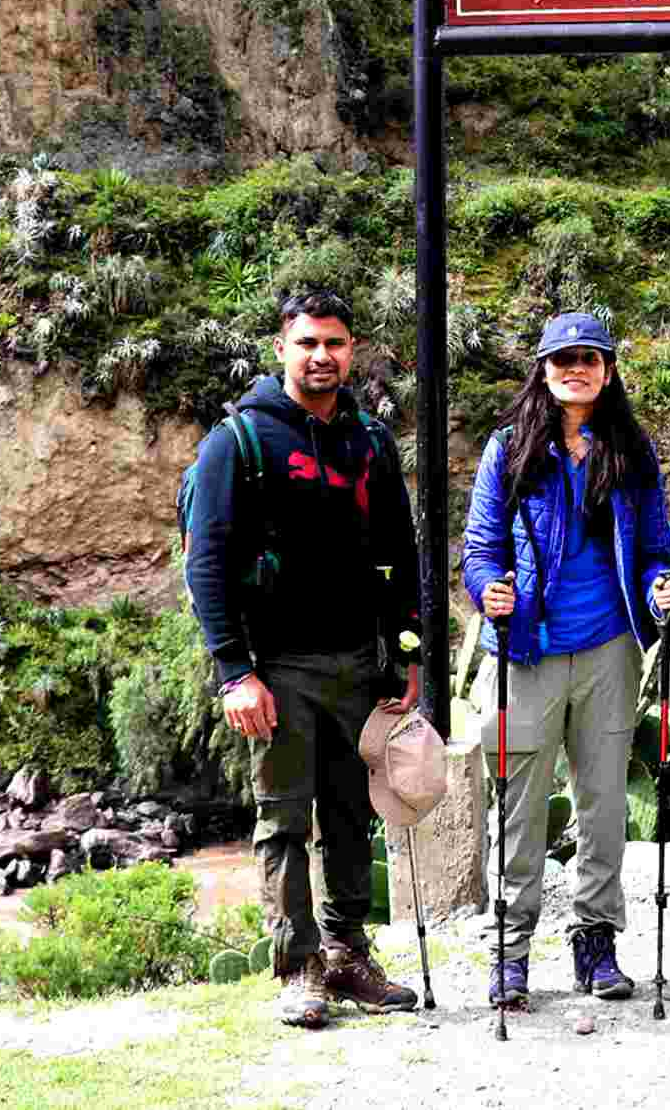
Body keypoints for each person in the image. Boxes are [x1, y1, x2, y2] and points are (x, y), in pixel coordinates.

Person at [184, 288, 422, 1030]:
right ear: (281, 348)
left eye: (336, 344)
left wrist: (408, 649)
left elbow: (400, 553)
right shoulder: (239, 441)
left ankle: (350, 953)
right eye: (308, 343)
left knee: (354, 813)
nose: (322, 356)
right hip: (276, 665)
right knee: (284, 820)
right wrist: (234, 670)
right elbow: (206, 562)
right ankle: (299, 967)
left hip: (360, 661)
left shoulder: (371, 442)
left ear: (352, 352)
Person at [462, 311, 670, 1010]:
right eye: (562, 358)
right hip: (524, 648)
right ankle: (510, 950)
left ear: (609, 369)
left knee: (603, 804)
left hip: (608, 648)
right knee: (520, 807)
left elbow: (654, 546)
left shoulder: (632, 448)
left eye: (589, 357)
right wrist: (487, 589)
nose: (575, 368)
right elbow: (479, 547)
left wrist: (659, 588)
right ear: (544, 368)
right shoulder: (509, 447)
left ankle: (596, 939)